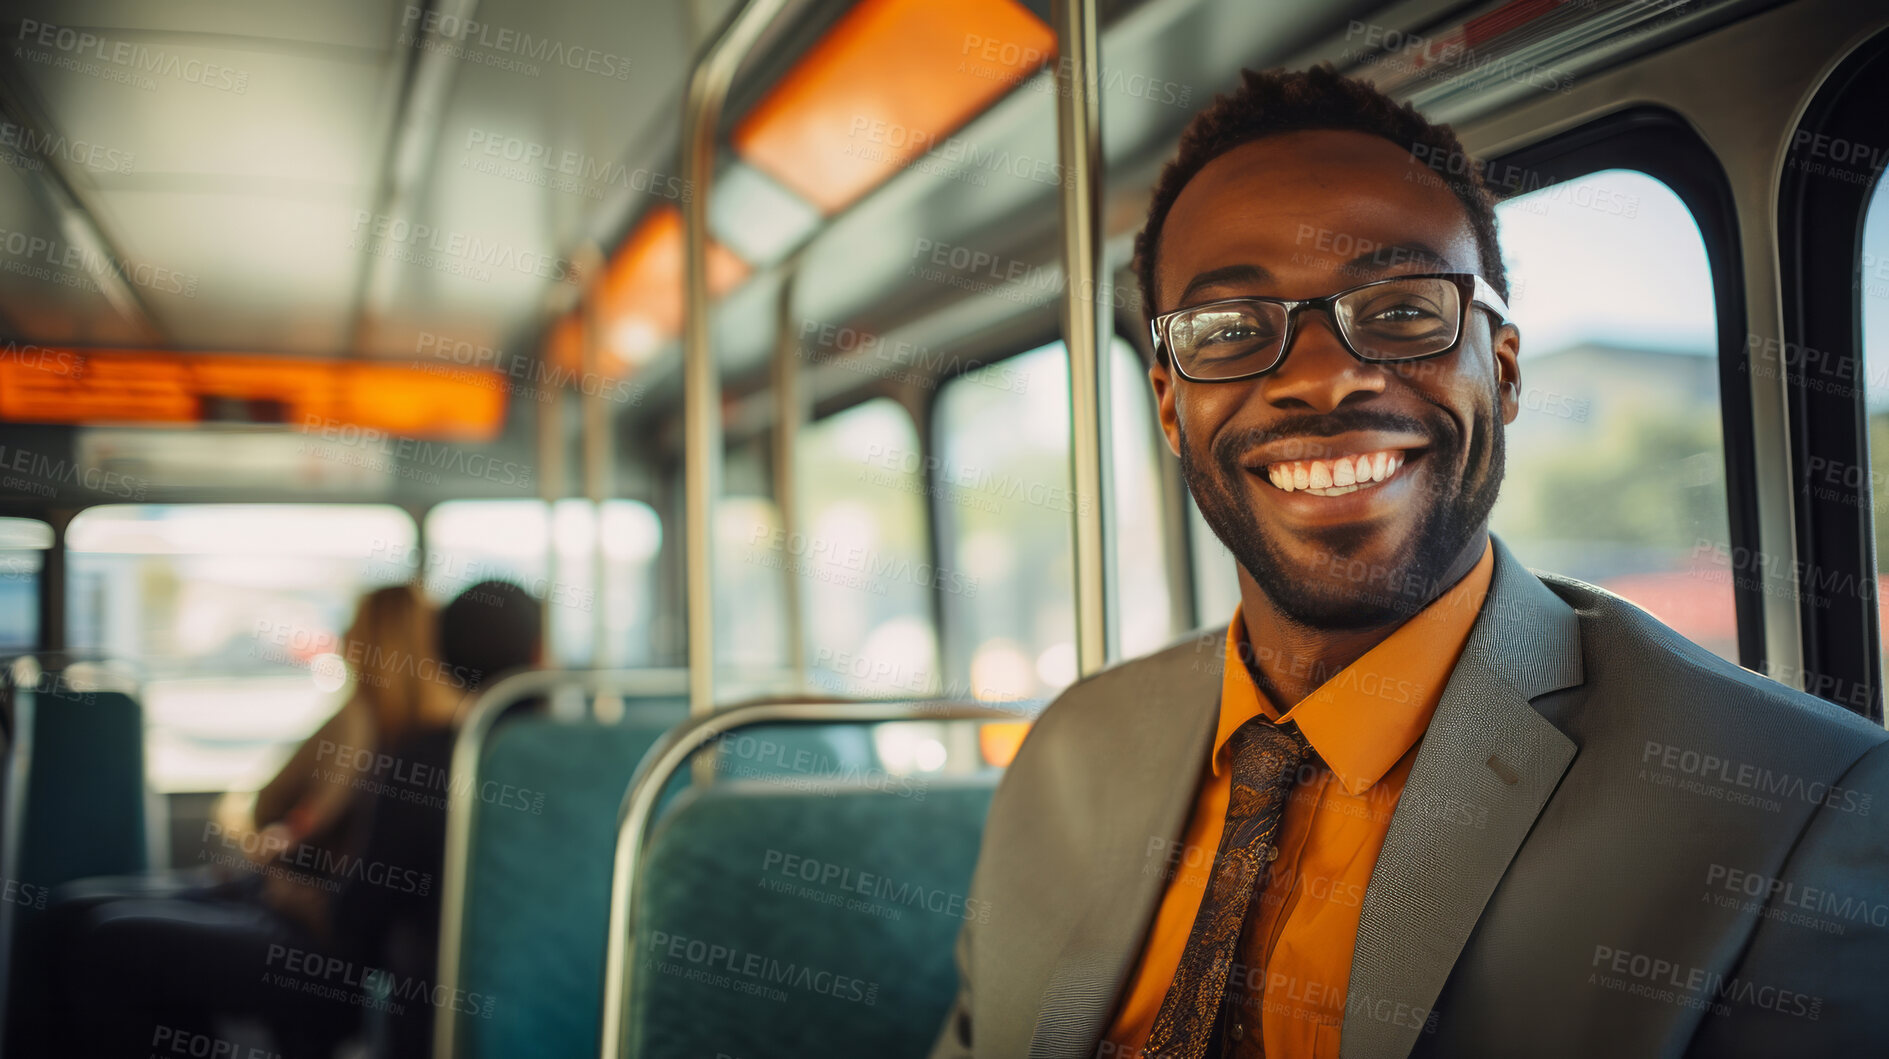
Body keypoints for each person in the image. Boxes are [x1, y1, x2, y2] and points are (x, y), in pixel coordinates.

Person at [930, 65, 1889, 1059]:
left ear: (1503, 370)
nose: (1320, 378)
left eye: (1398, 310)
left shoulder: (1795, 809)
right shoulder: (1065, 753)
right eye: (1226, 330)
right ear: (1170, 407)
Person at [38, 584, 454, 1059]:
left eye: (356, 631)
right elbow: (264, 809)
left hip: (320, 948)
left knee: (109, 941)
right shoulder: (363, 722)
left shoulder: (419, 754)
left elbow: (359, 914)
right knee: (70, 912)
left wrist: (283, 882)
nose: (344, 641)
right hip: (285, 905)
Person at [331, 578, 543, 1058]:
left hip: (437, 1024)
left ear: (443, 661)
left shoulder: (424, 761)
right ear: (540, 652)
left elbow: (360, 919)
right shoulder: (595, 762)